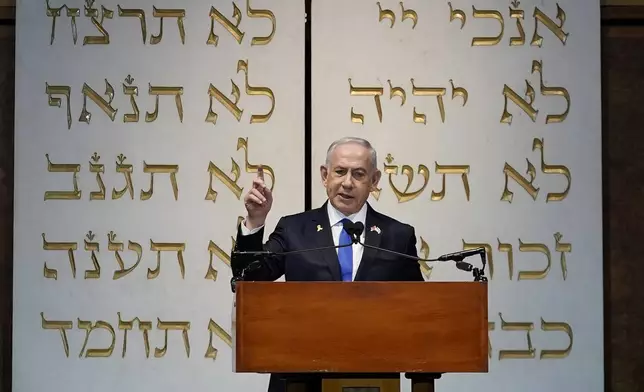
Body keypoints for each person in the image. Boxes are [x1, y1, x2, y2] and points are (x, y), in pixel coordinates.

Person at [230, 137, 424, 392]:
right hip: (299, 378)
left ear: (374, 181)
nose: (347, 183)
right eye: (340, 172)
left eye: (359, 174)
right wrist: (255, 222)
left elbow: (419, 309)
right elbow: (250, 278)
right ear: (325, 175)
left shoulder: (398, 235)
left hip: (371, 379)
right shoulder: (294, 229)